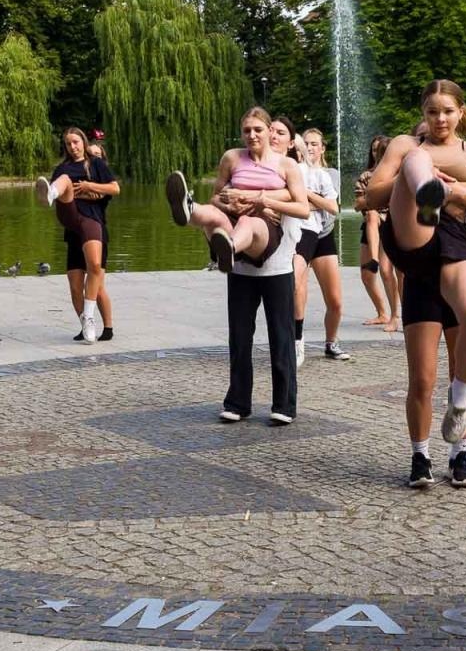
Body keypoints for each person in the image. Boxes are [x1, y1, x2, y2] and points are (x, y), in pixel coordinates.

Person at [364, 80, 466, 488]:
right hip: (416, 241)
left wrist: (457, 189)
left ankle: (460, 452)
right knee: (421, 379)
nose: (440, 119)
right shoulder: (406, 144)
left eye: (447, 111)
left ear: (461, 112)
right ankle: (420, 456)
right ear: (423, 113)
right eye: (432, 112)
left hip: (456, 246)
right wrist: (420, 183)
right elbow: (373, 195)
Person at [164, 107, 310, 424]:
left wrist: (261, 201)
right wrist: (230, 200)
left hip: (273, 257)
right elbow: (217, 196)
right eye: (247, 130)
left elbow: (303, 208)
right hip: (239, 263)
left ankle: (284, 405)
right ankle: (189, 211)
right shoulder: (232, 158)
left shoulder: (287, 166)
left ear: (270, 131)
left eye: (258, 129)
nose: (252, 135)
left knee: (280, 335)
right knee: (240, 335)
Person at [36, 127, 119, 343]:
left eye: (76, 142)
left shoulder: (96, 165)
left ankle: (95, 323)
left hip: (92, 224)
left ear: (82, 141)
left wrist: (89, 186)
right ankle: (51, 194)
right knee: (75, 286)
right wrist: (71, 191)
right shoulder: (63, 168)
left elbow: (114, 189)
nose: (73, 147)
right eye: (68, 144)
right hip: (71, 218)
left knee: (95, 278)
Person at [292, 126, 350, 365]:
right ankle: (297, 340)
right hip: (302, 233)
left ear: (323, 147)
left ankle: (331, 342)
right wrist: (314, 200)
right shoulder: (295, 170)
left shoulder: (330, 173)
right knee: (298, 289)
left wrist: (306, 196)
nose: (310, 147)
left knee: (335, 300)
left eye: (315, 143)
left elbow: (332, 206)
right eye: (306, 143)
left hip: (324, 235)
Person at [356, 135, 400, 332]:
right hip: (371, 223)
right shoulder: (366, 176)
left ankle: (396, 315)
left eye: (381, 151)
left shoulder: (398, 174)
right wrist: (375, 199)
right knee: (366, 276)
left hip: (392, 223)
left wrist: (373, 199)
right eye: (375, 151)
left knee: (388, 271)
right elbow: (358, 204)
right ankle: (382, 312)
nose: (378, 155)